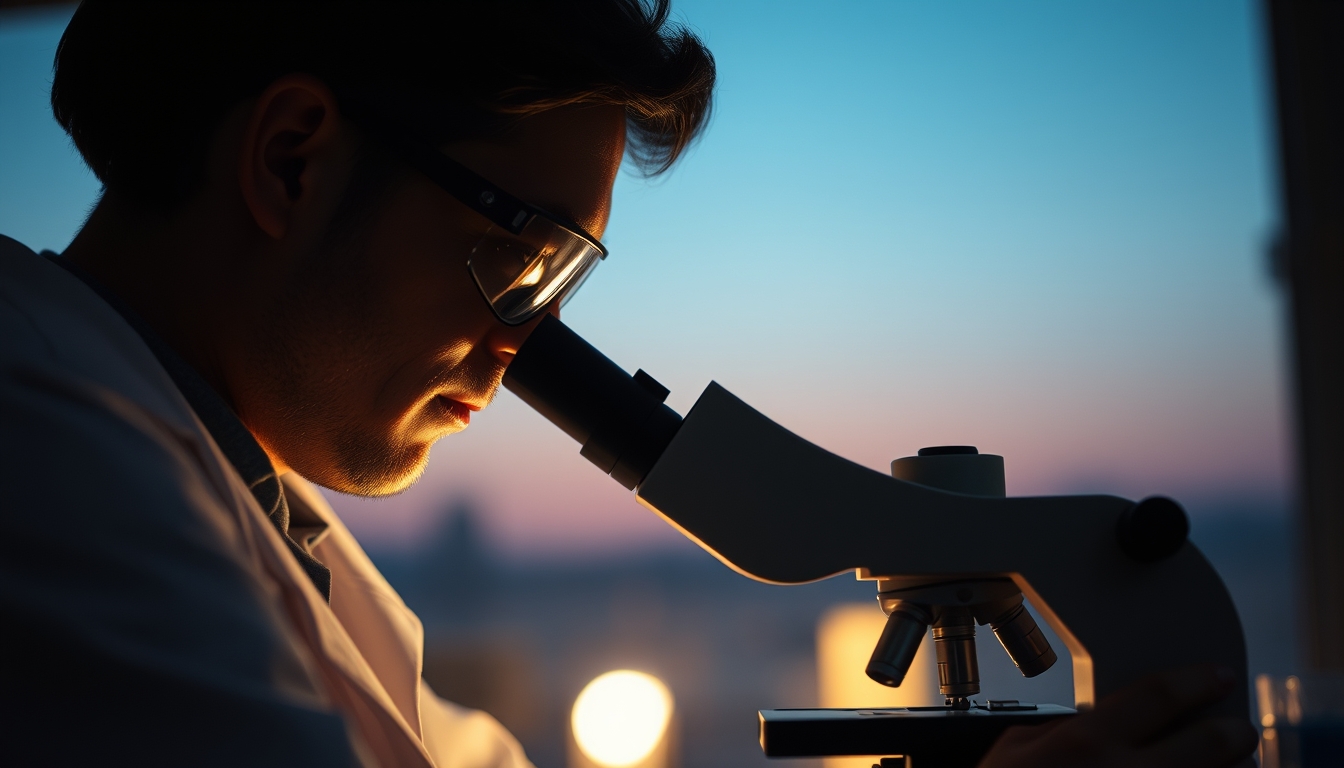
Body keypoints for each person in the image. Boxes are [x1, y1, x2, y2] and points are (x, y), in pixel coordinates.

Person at [0, 2, 1257, 766]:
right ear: (290, 161)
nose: (529, 340)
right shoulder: (42, 455)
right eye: (529, 256)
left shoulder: (234, 491)